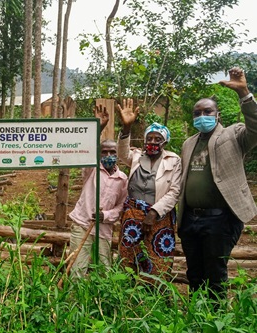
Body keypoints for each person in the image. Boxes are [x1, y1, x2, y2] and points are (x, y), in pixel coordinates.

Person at [178, 67, 257, 300]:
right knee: (194, 272)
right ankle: (196, 314)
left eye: (207, 111)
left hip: (220, 219)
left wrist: (244, 93)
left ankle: (215, 318)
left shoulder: (234, 135)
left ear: (217, 114)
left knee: (215, 273)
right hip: (191, 218)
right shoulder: (188, 143)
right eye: (197, 113)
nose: (202, 116)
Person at [116, 99, 181, 276]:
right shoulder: (136, 156)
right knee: (129, 256)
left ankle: (155, 294)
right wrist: (126, 128)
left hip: (159, 217)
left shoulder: (173, 160)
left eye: (158, 139)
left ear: (165, 142)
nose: (152, 142)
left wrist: (153, 213)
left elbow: (175, 191)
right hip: (132, 214)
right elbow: (121, 153)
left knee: (158, 257)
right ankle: (127, 295)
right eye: (149, 138)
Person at [68, 106, 128, 277]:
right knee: (77, 267)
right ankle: (75, 300)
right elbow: (87, 149)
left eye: (112, 152)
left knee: (104, 269)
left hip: (103, 229)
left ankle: (101, 302)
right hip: (82, 224)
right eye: (104, 152)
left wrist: (106, 215)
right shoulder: (91, 168)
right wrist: (99, 127)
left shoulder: (122, 179)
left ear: (117, 154)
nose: (108, 155)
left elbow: (120, 207)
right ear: (99, 154)